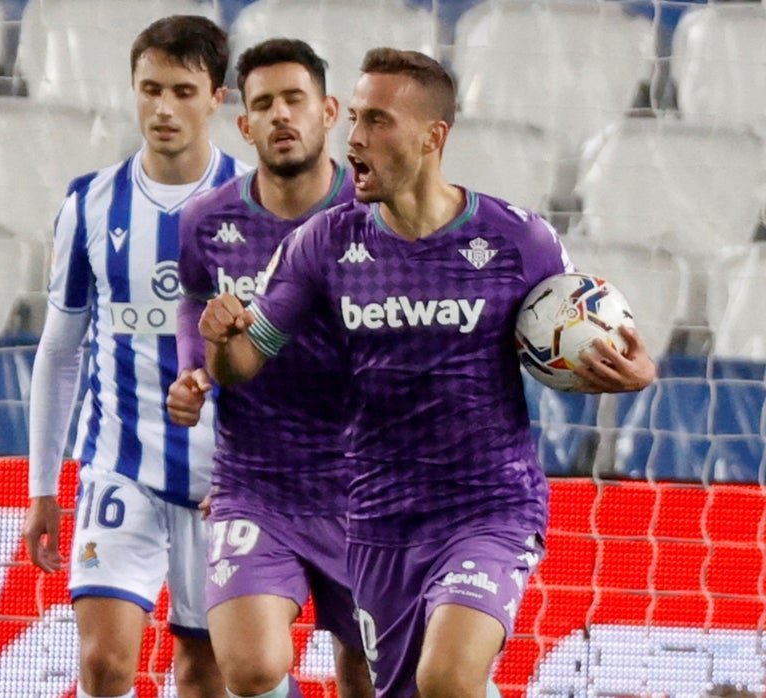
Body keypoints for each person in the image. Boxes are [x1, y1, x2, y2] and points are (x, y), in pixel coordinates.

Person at [199, 48, 656, 698]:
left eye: (376, 121)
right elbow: (244, 364)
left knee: (446, 678)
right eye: (354, 118)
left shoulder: (517, 241)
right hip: (378, 516)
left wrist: (630, 370)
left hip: (488, 506)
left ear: (432, 136)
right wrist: (222, 341)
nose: (353, 138)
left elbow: (573, 337)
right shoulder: (322, 245)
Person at [21, 15, 249, 698]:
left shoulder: (256, 202)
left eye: (183, 90)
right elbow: (59, 350)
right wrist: (42, 488)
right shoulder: (90, 203)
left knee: (205, 673)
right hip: (120, 466)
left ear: (217, 97)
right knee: (104, 665)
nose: (163, 108)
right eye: (150, 89)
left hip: (226, 482)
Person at [167, 38, 370, 698]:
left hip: (366, 486)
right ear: (245, 124)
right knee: (251, 670)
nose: (281, 115)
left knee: (368, 671)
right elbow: (196, 302)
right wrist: (194, 372)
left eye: (295, 100)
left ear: (329, 111)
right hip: (254, 481)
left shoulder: (378, 217)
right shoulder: (207, 220)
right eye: (264, 104)